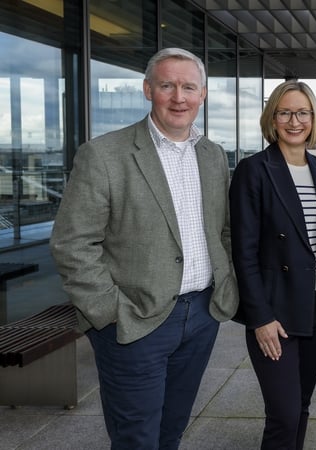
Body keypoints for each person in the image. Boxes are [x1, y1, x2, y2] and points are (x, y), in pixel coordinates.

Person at [50, 47, 238, 449]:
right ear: (147, 89)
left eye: (189, 87)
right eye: (167, 85)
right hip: (134, 321)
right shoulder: (104, 154)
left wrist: (224, 290)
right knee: (137, 439)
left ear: (203, 94)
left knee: (171, 431)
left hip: (201, 315)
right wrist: (110, 312)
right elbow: (73, 243)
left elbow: (222, 231)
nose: (179, 97)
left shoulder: (213, 156)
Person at [229, 80, 316, 450]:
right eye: (285, 112)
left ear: (313, 118)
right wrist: (259, 317)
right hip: (275, 312)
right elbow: (243, 251)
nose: (295, 121)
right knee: (284, 414)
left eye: (303, 112)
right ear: (272, 118)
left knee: (302, 407)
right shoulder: (254, 170)